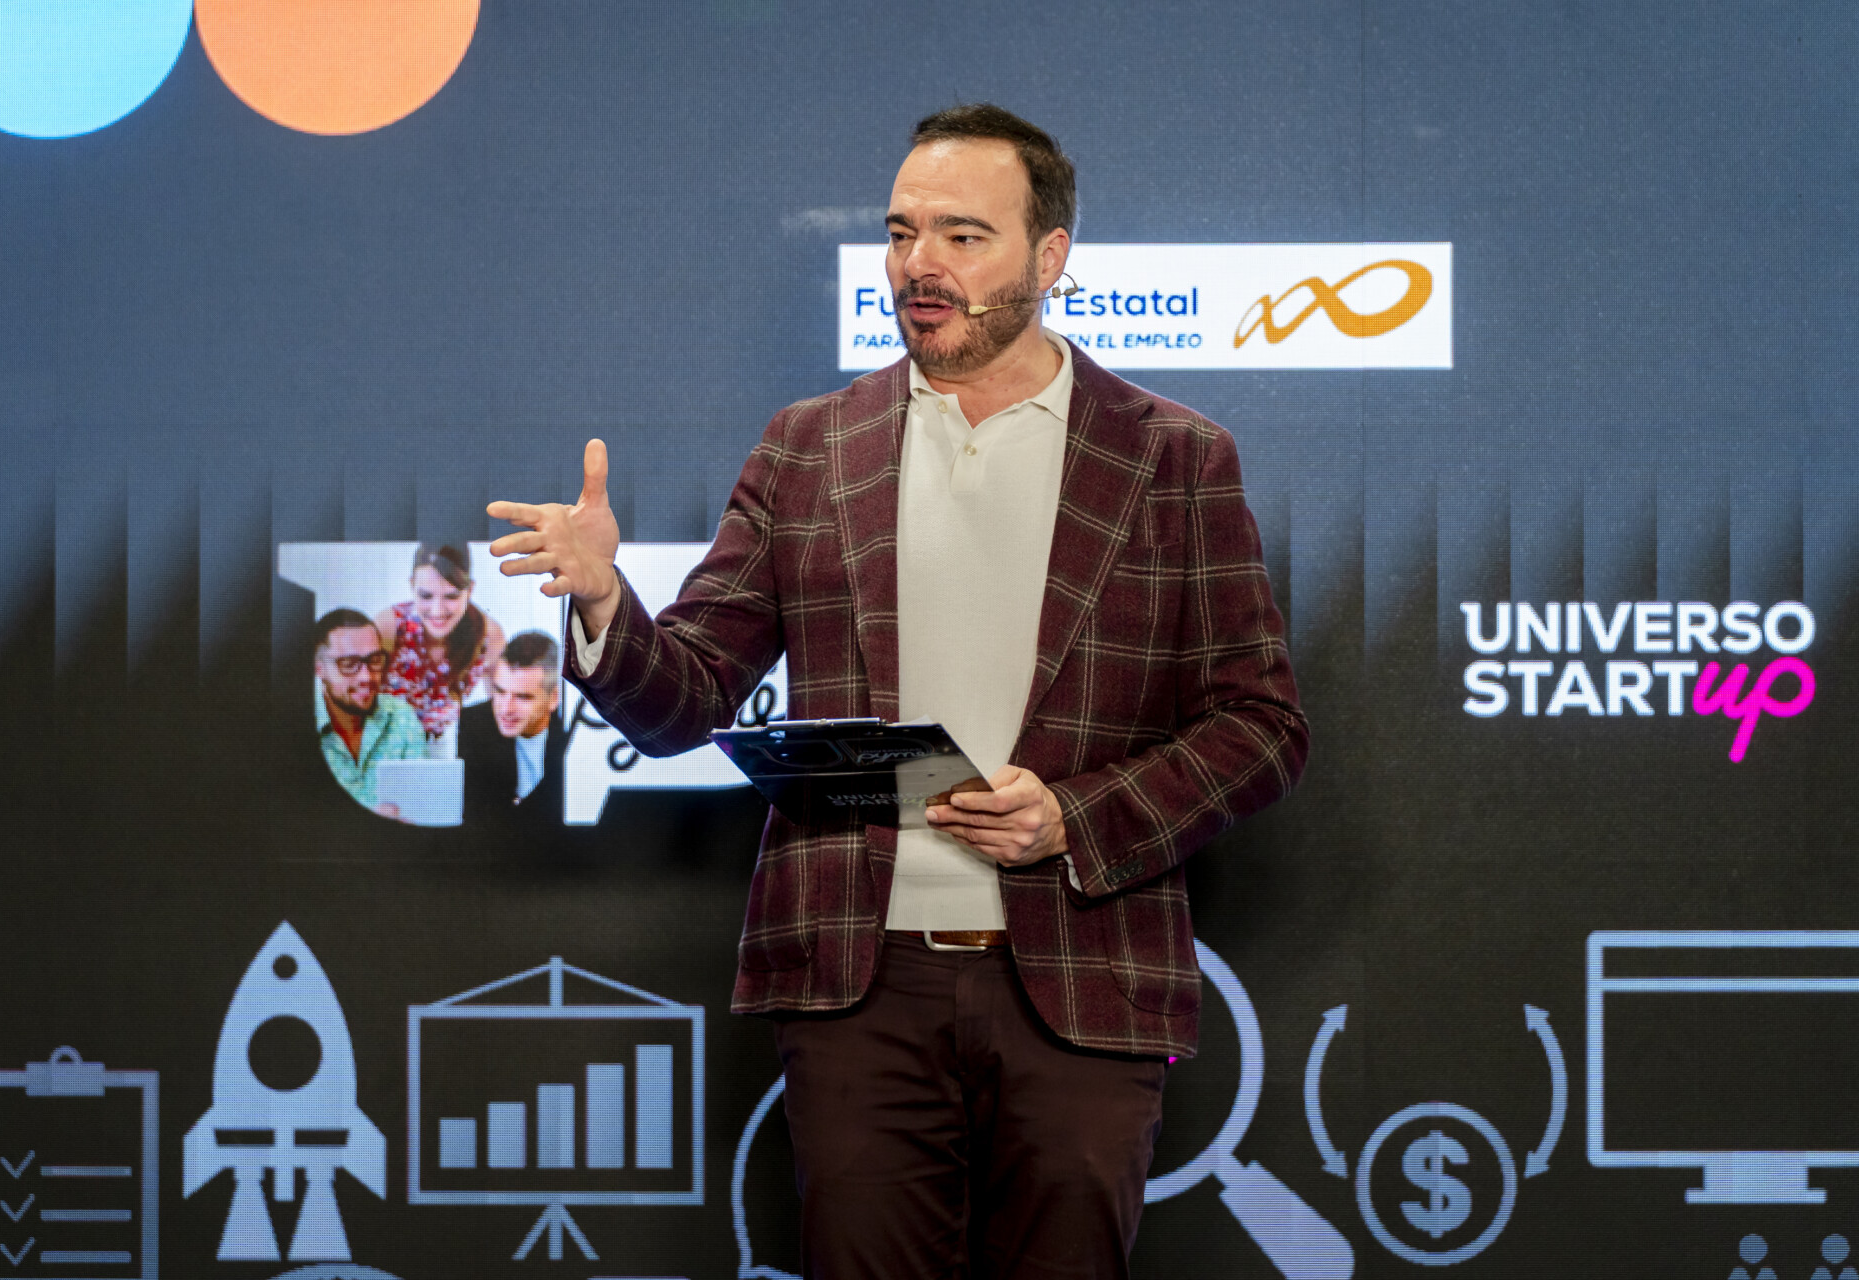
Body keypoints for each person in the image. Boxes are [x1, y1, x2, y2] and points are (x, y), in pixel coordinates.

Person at [490, 104, 1306, 1279]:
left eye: (964, 236)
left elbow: (1262, 727)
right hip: (857, 979)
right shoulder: (807, 447)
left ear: (1051, 256)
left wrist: (1071, 816)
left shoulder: (1175, 458)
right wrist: (607, 601)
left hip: (1083, 976)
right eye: (902, 232)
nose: (922, 264)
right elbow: (689, 696)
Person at [376, 542, 506, 743]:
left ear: (470, 590)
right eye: (425, 595)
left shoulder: (489, 635)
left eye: (451, 596)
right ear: (412, 585)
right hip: (384, 745)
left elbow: (499, 710)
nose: (437, 611)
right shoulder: (388, 628)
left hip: (442, 745)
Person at [313, 607, 428, 816]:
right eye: (349, 664)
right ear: (319, 668)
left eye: (374, 660)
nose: (366, 677)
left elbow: (420, 806)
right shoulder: (290, 725)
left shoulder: (402, 717)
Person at [458, 630, 570, 829]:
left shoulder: (573, 734)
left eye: (522, 697)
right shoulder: (470, 725)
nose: (506, 709)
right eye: (500, 691)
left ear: (553, 698)